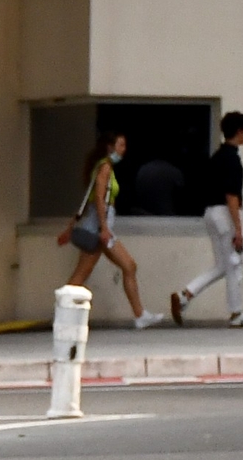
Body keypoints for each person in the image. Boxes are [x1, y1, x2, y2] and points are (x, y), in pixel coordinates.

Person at [58, 131, 167, 329]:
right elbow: (99, 199)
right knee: (82, 275)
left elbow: (88, 201)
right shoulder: (105, 168)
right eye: (121, 145)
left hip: (100, 226)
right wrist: (104, 228)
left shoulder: (103, 167)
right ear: (110, 147)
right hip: (100, 228)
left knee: (128, 266)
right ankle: (63, 315)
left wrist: (71, 227)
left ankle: (140, 314)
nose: (123, 150)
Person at [171, 112, 243, 328]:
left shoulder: (217, 157)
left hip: (210, 213)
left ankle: (185, 295)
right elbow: (232, 196)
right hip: (224, 214)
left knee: (222, 265)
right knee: (234, 264)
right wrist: (238, 230)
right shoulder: (232, 160)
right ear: (239, 131)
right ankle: (236, 313)